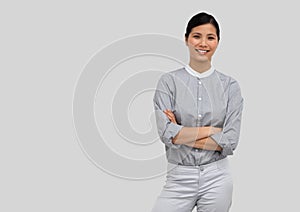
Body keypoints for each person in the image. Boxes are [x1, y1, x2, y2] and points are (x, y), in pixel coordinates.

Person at [151, 12, 244, 212]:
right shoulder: (169, 83)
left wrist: (180, 132)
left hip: (217, 177)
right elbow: (166, 134)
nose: (203, 43)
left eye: (210, 37)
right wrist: (213, 130)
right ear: (186, 39)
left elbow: (230, 141)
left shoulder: (230, 87)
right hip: (178, 177)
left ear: (218, 42)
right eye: (196, 36)